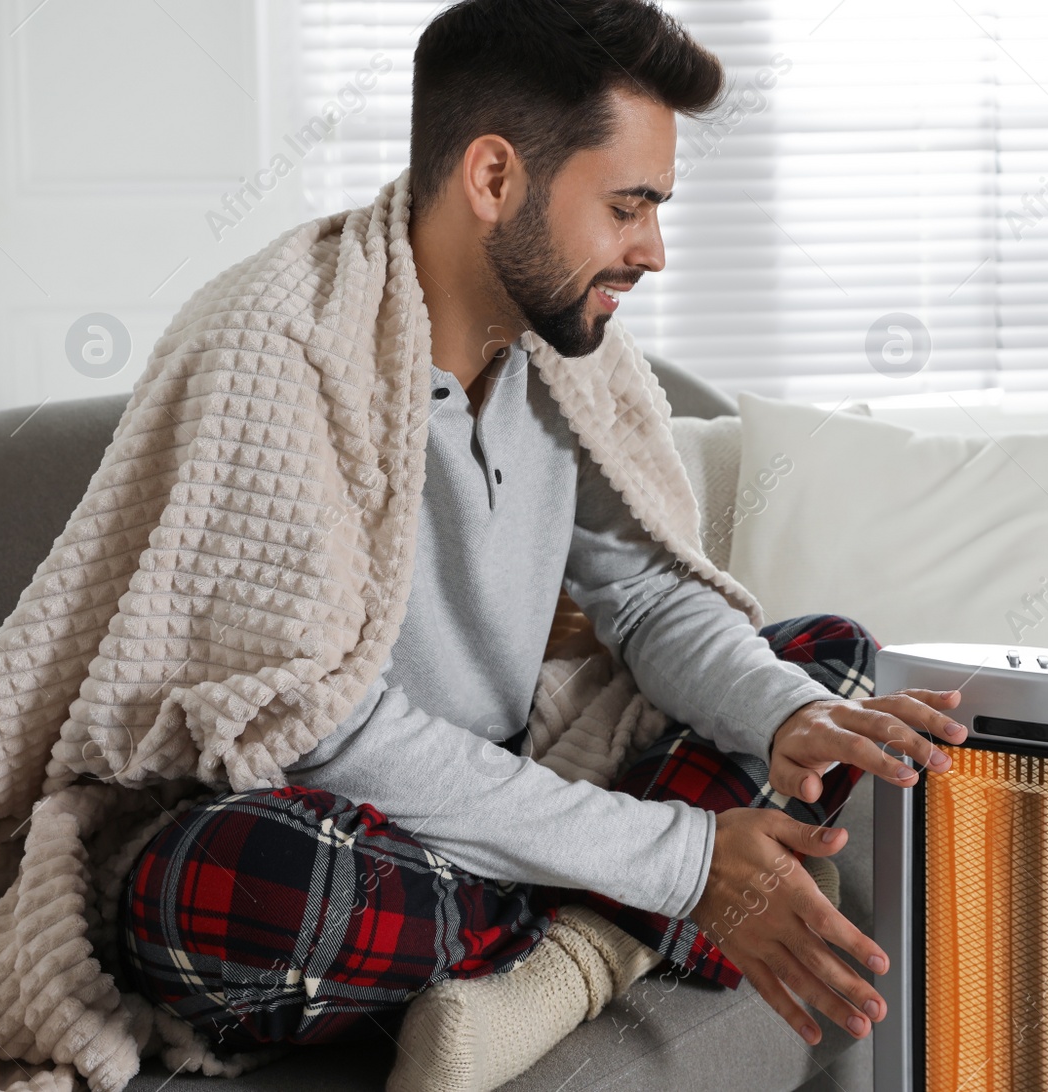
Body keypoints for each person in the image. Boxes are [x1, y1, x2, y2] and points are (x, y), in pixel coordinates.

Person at [116, 1, 967, 1088]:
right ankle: (618, 917)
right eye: (627, 206)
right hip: (339, 820)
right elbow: (319, 738)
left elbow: (654, 599)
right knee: (235, 887)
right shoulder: (279, 346)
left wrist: (785, 715)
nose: (651, 251)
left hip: (513, 786)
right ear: (493, 178)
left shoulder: (571, 345)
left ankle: (565, 956)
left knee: (828, 669)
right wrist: (687, 856)